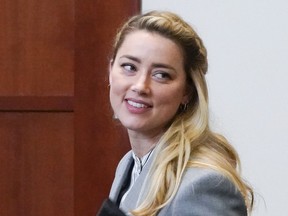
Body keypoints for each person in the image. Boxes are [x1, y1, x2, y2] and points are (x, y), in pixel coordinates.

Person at [101, 10, 254, 216]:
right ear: (111, 71)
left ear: (187, 92)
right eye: (129, 67)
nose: (140, 86)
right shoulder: (128, 164)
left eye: (161, 75)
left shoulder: (201, 184)